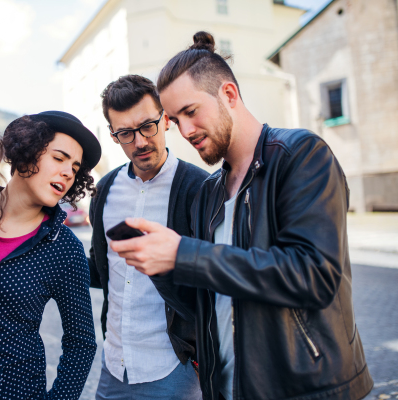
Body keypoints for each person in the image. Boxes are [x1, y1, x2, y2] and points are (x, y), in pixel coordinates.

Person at [110, 32, 374, 400]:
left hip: (309, 389)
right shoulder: (208, 193)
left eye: (191, 111)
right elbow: (206, 301)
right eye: (174, 118)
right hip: (230, 389)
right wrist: (159, 264)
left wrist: (182, 253)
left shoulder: (300, 156)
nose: (185, 131)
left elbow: (314, 275)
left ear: (229, 95)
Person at [0, 111, 99, 400]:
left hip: (16, 391)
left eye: (75, 167)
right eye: (59, 158)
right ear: (28, 150)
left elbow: (81, 343)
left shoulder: (63, 247)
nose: (68, 172)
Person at [88, 74, 208, 399]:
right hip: (114, 363)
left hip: (173, 367)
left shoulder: (201, 189)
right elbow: (100, 268)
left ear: (166, 120)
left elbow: (214, 284)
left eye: (147, 126)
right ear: (114, 137)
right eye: (126, 133)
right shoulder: (103, 192)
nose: (140, 141)